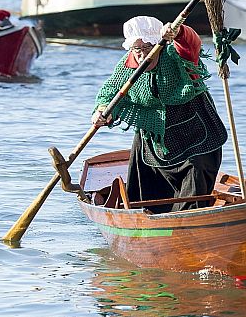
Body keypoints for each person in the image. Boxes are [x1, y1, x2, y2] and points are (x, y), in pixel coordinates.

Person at [91, 17, 227, 213]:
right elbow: (111, 90)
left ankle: (191, 222)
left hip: (196, 135)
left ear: (159, 45)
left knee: (197, 174)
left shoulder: (177, 55)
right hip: (155, 139)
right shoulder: (127, 65)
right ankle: (142, 219)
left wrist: (178, 32)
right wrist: (102, 109)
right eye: (136, 49)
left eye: (147, 47)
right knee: (144, 187)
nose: (141, 55)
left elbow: (191, 43)